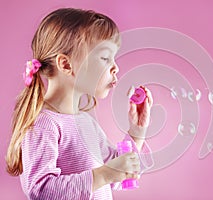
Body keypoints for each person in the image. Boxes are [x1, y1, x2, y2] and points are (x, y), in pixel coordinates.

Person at [5, 7, 153, 200]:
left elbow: (116, 174)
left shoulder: (86, 122)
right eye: (105, 58)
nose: (115, 67)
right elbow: (40, 190)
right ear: (66, 65)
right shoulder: (44, 124)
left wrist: (137, 130)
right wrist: (105, 173)